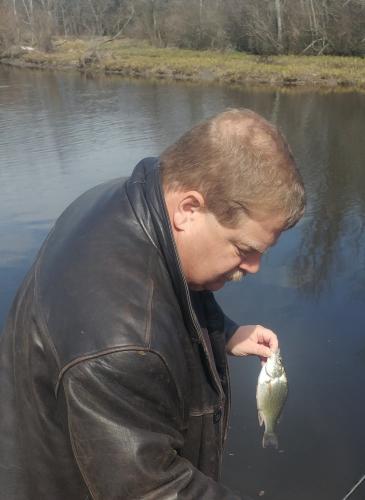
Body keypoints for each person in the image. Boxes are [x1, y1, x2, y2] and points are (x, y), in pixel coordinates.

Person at [0, 108, 305, 499]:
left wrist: (222, 332)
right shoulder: (120, 345)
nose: (255, 266)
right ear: (189, 209)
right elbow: (154, 489)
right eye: (243, 249)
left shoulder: (125, 199)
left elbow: (170, 287)